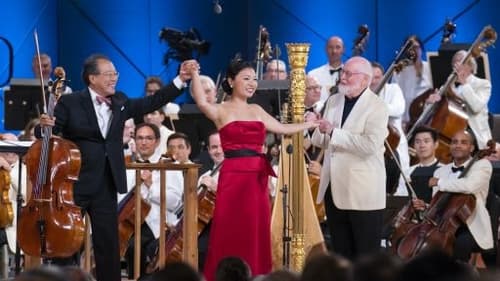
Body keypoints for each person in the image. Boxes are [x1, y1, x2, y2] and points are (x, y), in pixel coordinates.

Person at [38, 53, 197, 281]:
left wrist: (181, 79)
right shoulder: (71, 102)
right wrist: (44, 126)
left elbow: (152, 101)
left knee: (108, 246)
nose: (114, 78)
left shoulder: (120, 101)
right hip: (75, 183)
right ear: (92, 78)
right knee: (67, 241)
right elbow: (48, 132)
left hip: (107, 183)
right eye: (109, 74)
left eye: (116, 74)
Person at [189, 58, 318, 281]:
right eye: (246, 78)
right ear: (231, 81)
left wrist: (310, 124)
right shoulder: (220, 110)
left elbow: (282, 128)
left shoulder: (257, 109)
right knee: (229, 229)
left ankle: (257, 275)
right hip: (232, 176)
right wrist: (193, 74)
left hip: (257, 177)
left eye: (254, 79)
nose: (252, 83)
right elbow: (201, 101)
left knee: (255, 230)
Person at [311, 56, 389, 260]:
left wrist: (333, 131)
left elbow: (369, 146)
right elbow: (323, 141)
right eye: (342, 73)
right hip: (334, 189)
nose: (342, 77)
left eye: (348, 74)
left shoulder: (377, 106)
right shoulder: (335, 100)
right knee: (341, 256)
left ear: (365, 80)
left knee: (365, 259)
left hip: (362, 193)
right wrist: (316, 125)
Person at [411, 130, 493, 262]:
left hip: (471, 225)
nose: (458, 145)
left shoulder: (482, 165)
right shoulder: (441, 171)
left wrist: (439, 182)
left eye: (464, 142)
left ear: (471, 148)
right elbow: (439, 203)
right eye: (454, 142)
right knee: (419, 240)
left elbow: (468, 186)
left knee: (460, 244)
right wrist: (426, 206)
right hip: (443, 223)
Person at [123, 123, 183, 279]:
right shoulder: (127, 164)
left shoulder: (170, 165)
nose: (144, 142)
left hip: (159, 227)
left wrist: (151, 185)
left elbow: (175, 202)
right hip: (130, 224)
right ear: (134, 141)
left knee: (136, 247)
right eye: (140, 138)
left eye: (149, 138)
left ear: (157, 142)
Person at [426, 50, 492, 149]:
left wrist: (464, 83)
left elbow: (477, 107)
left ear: (471, 66)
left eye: (460, 62)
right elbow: (434, 113)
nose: (456, 66)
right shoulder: (449, 87)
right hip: (450, 132)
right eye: (454, 63)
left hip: (474, 133)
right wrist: (430, 103)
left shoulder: (483, 84)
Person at [370, 62, 409, 195]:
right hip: (373, 147)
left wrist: (372, 107)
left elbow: (398, 109)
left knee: (400, 186)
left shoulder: (393, 89)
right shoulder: (362, 94)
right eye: (371, 77)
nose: (374, 81)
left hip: (395, 143)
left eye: (378, 77)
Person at [391, 35, 432, 127]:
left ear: (421, 49)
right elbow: (395, 97)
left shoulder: (430, 68)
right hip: (407, 120)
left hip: (428, 117)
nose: (414, 50)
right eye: (410, 48)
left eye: (416, 47)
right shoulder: (400, 71)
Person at [407, 126, 441, 203]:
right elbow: (401, 197)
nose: (422, 146)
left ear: (436, 144)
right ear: (414, 146)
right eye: (418, 142)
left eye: (426, 141)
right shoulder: (408, 172)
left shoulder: (445, 170)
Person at [308, 36, 345, 102]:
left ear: (343, 50)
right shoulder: (313, 74)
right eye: (331, 47)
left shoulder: (350, 76)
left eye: (338, 47)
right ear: (326, 49)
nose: (334, 51)